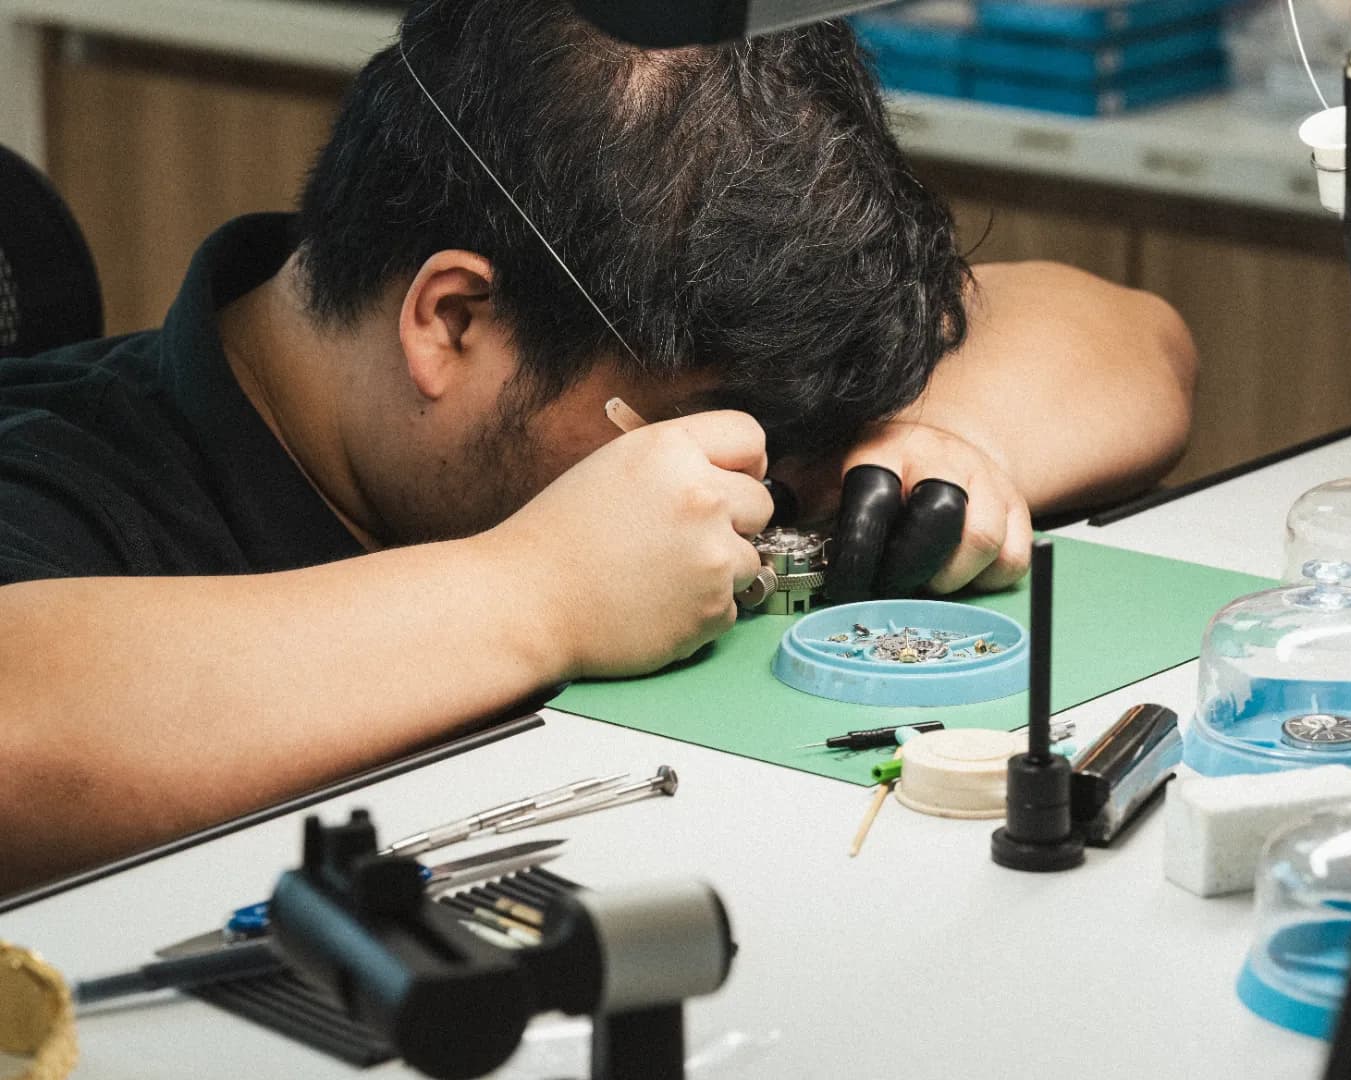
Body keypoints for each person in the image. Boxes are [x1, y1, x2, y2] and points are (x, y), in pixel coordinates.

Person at [0, 0, 1195, 894]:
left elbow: (1133, 340)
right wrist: (532, 592)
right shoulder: (63, 479)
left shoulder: (663, 322)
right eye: (720, 433)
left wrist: (941, 440)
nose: (759, 492)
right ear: (452, 321)